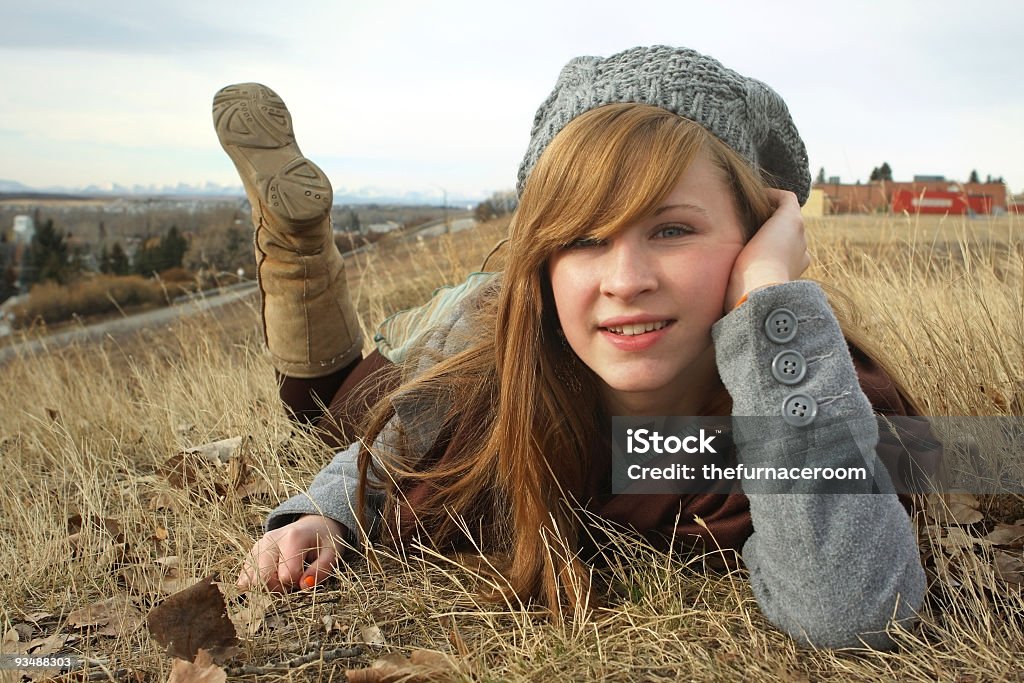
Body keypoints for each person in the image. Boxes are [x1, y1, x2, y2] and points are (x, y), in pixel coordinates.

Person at [213, 45, 926, 649]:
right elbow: (396, 437)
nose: (626, 279)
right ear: (545, 260)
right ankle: (299, 251)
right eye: (584, 238)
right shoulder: (492, 377)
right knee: (331, 396)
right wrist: (320, 512)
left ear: (755, 231)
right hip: (466, 319)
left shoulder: (826, 394)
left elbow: (850, 608)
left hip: (519, 317)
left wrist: (768, 298)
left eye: (672, 229)